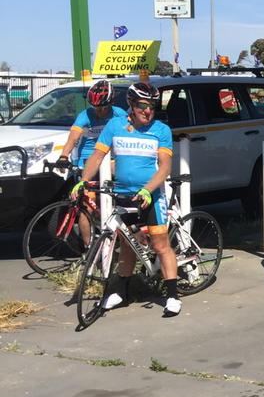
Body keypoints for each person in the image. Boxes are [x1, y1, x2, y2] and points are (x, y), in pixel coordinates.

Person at [71, 82, 181, 315]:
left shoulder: (161, 130)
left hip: (151, 195)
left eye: (152, 106)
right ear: (131, 104)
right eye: (142, 105)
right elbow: (97, 156)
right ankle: (121, 293)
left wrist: (147, 190)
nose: (147, 111)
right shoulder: (115, 125)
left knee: (160, 244)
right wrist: (83, 180)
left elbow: (165, 167)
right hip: (122, 193)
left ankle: (172, 295)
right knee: (127, 244)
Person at [56, 79, 127, 245]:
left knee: (117, 199)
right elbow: (73, 138)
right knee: (86, 207)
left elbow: (129, 134)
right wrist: (64, 156)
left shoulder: (120, 114)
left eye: (103, 107)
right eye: (95, 107)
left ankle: (120, 238)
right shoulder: (85, 115)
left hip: (109, 160)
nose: (99, 111)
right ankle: (88, 248)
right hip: (87, 161)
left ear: (111, 103)